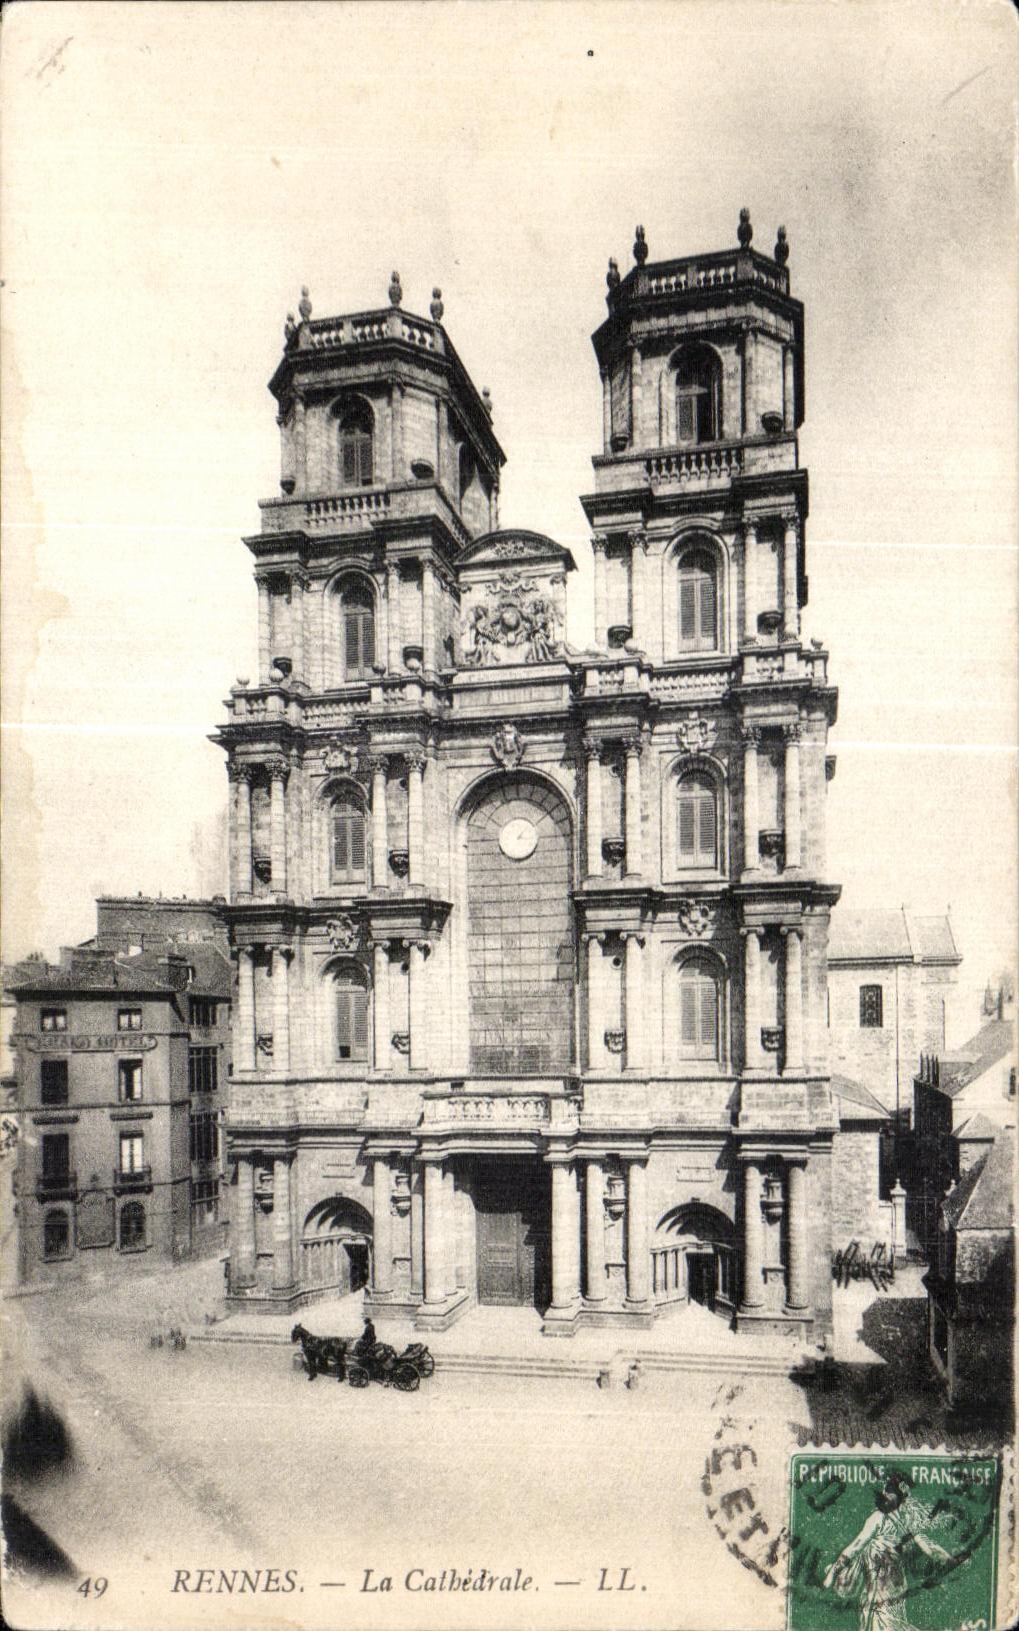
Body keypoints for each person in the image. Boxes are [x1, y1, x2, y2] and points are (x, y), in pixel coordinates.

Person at [822, 1474, 956, 1631]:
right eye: (887, 1492)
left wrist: (949, 1560)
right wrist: (833, 1572)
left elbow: (927, 1546)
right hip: (884, 1590)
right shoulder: (885, 1518)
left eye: (890, 1492)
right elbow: (856, 1546)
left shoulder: (897, 1520)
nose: (886, 1496)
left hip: (891, 1590)